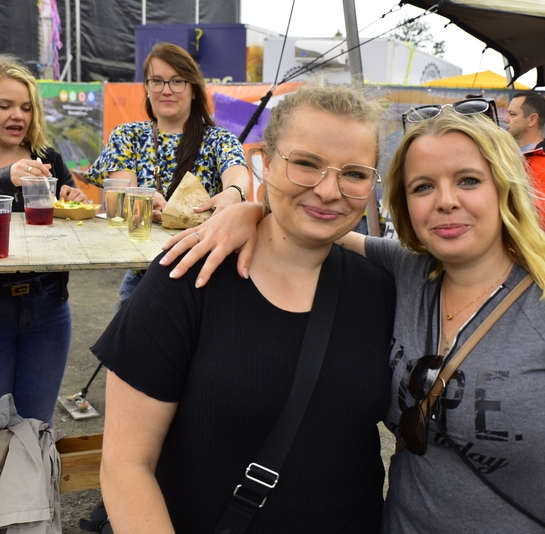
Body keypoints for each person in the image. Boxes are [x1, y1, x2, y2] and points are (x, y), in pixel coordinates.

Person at [161, 103, 545, 533]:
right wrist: (247, 212)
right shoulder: (405, 271)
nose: (445, 200)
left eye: (468, 180)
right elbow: (314, 220)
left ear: (505, 187)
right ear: (405, 204)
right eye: (423, 186)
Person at [91, 85, 395, 533]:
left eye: (353, 173)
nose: (329, 190)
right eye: (306, 164)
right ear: (266, 164)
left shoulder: (382, 289)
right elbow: (126, 464)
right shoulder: (187, 277)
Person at [85, 42, 249, 308]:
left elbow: (238, 174)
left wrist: (234, 193)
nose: (166, 90)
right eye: (157, 81)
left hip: (207, 277)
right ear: (147, 88)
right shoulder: (127, 136)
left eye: (177, 81)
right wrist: (143, 201)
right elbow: (123, 195)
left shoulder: (220, 139)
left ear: (193, 89)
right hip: (144, 276)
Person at [0, 54, 87, 424]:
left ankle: (37, 470)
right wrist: (5, 177)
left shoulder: (46, 157)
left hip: (47, 304)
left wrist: (73, 200)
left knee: (37, 426)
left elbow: (69, 216)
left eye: (26, 107)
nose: (18, 116)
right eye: (4, 105)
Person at [504, 91, 545, 239]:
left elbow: (537, 218)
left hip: (529, 247)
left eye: (512, 114)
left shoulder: (544, 162)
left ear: (532, 120)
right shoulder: (514, 154)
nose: (506, 119)